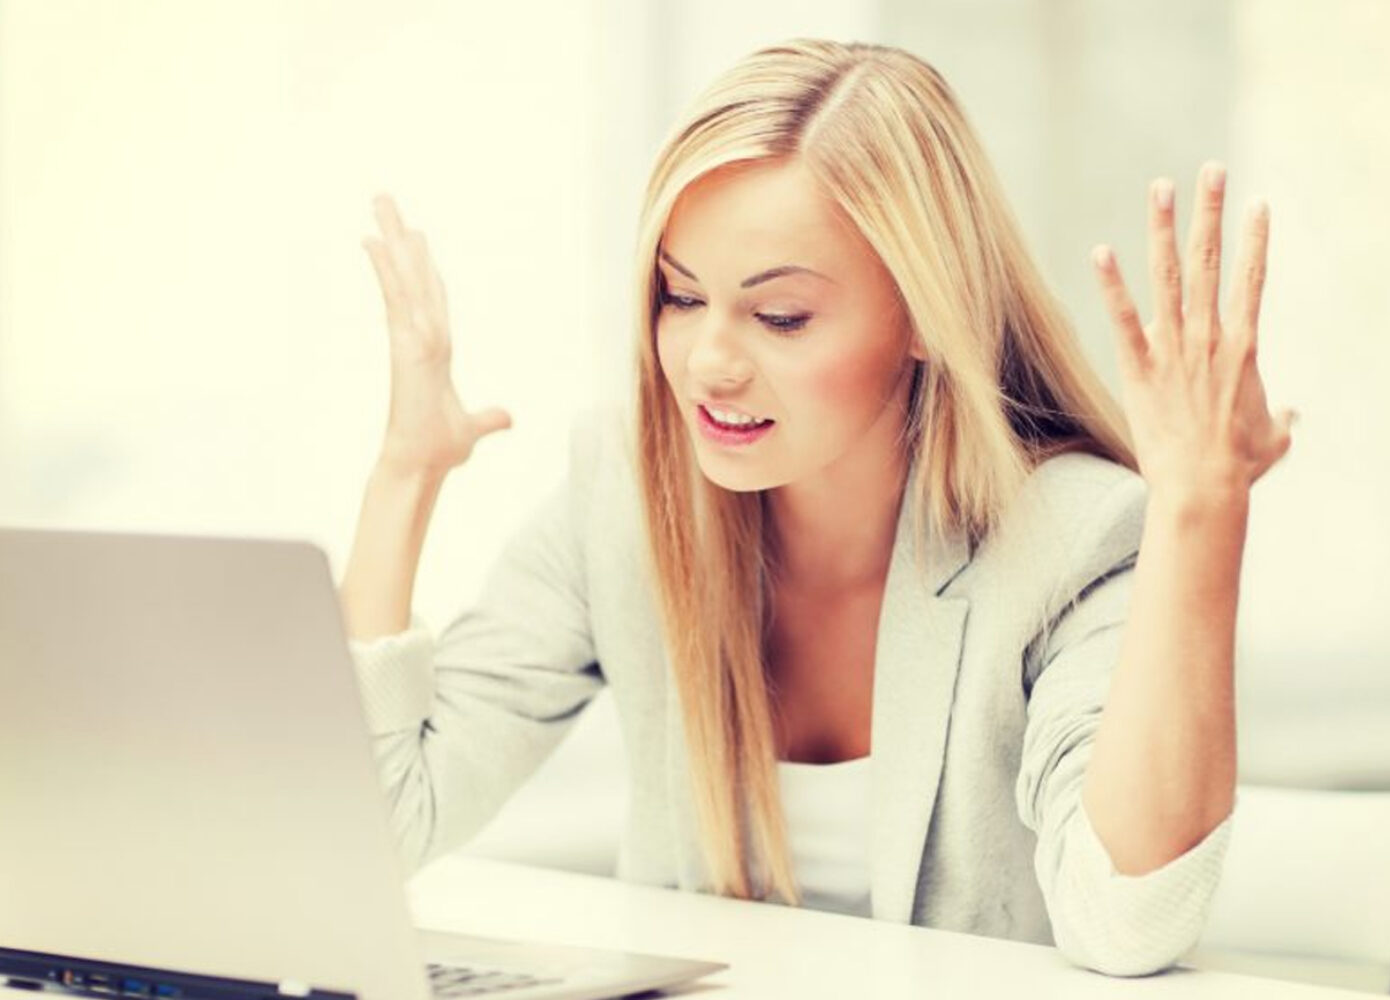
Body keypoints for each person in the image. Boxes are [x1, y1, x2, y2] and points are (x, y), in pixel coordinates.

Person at [340, 38, 1295, 978]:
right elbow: (369, 828)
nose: (708, 364)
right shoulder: (627, 491)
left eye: (779, 316)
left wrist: (1198, 511)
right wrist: (404, 475)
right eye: (680, 297)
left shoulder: (1071, 538)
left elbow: (1125, 925)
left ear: (926, 313)